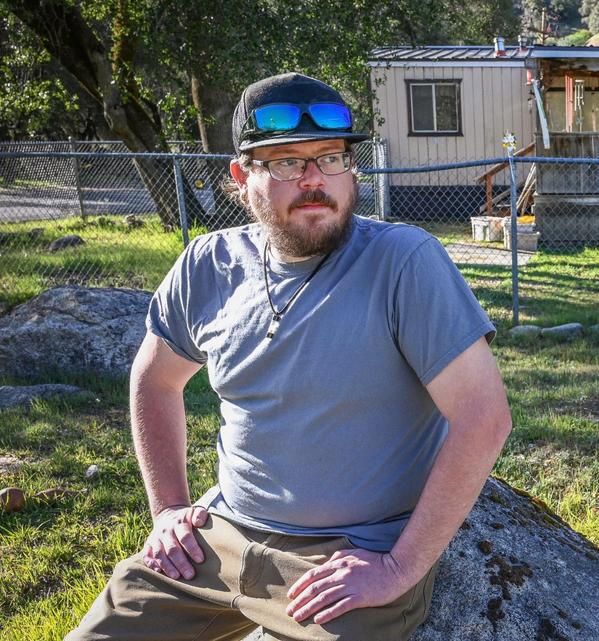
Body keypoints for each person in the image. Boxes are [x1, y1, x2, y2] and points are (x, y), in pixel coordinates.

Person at [67, 72, 512, 640]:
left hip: (346, 556)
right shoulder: (208, 264)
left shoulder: (404, 262)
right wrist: (169, 510)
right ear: (241, 177)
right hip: (216, 539)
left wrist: (399, 568)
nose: (314, 179)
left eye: (331, 158)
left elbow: (483, 417)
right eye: (286, 163)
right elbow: (155, 382)